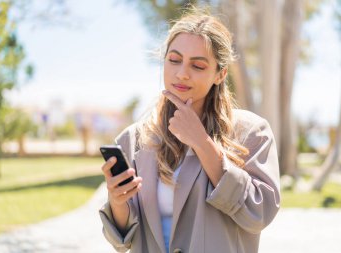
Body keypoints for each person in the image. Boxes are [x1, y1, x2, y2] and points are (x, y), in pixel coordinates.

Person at [99, 7, 280, 253]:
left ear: (220, 74)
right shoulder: (134, 139)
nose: (182, 74)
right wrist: (117, 201)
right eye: (174, 60)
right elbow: (123, 241)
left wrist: (202, 142)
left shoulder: (251, 133)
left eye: (198, 66)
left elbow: (259, 213)